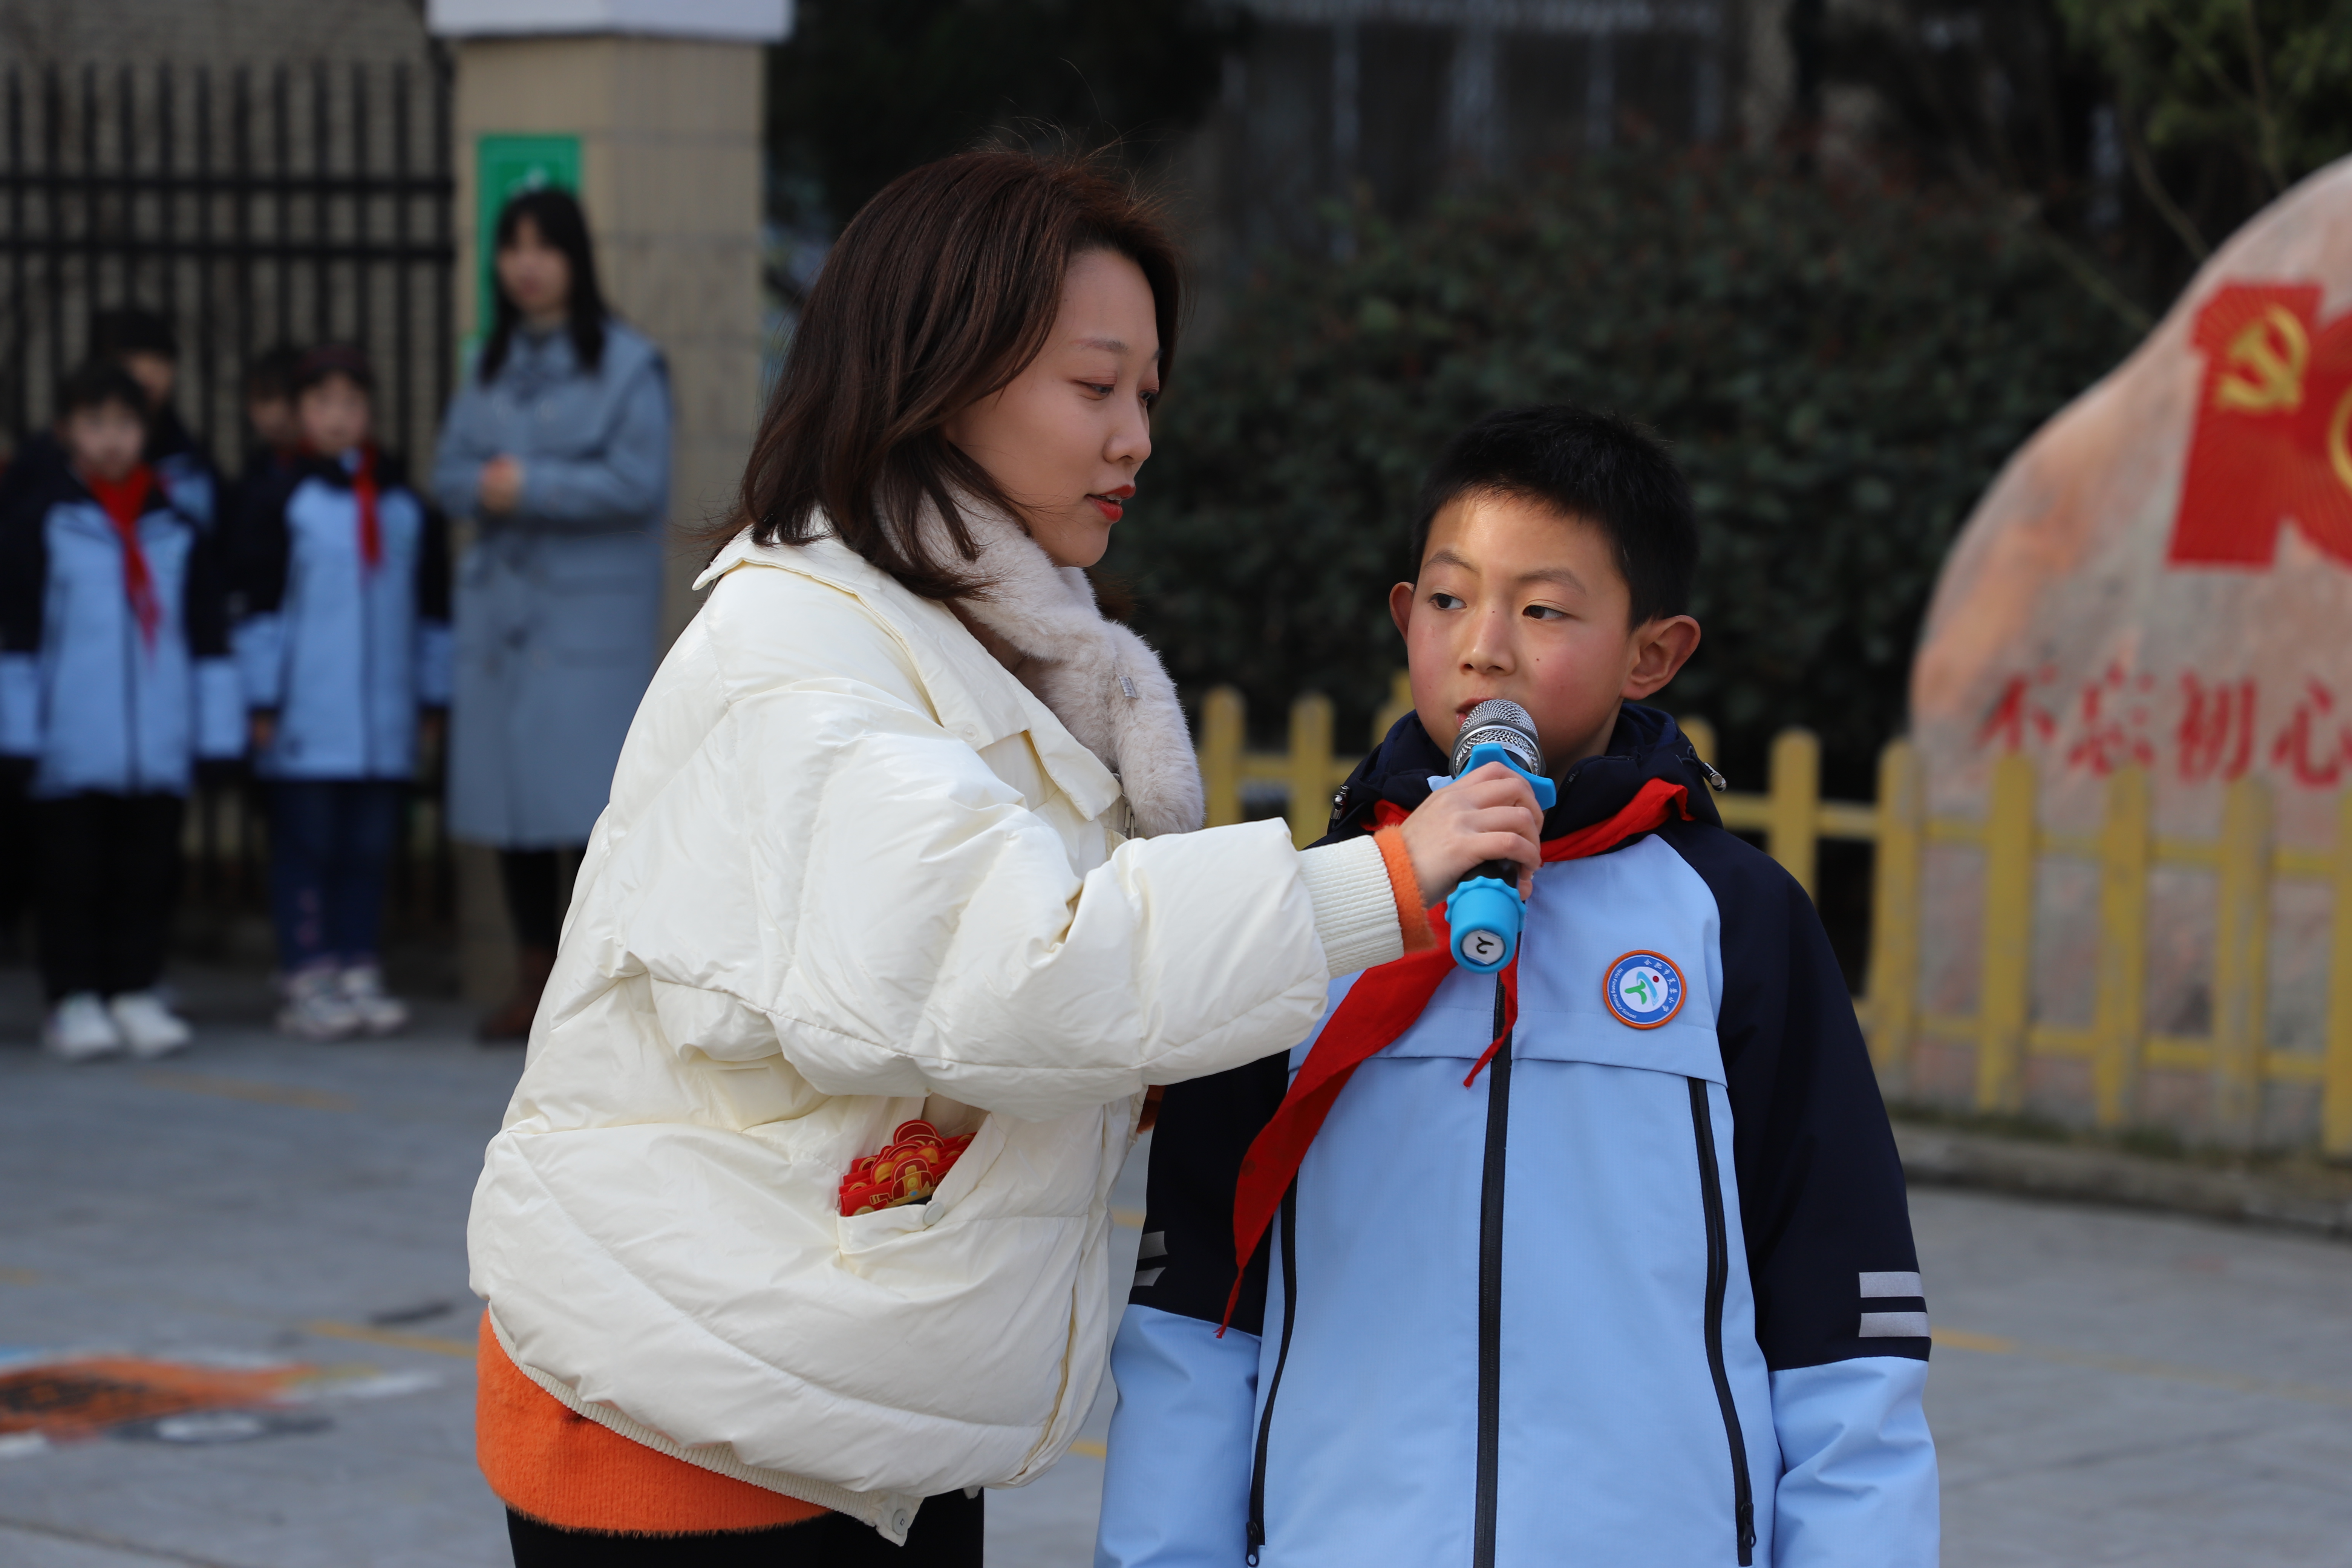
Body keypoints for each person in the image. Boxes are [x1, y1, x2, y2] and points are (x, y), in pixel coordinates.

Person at [463, 149, 1545, 1566]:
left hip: (844, 1400)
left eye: (1148, 393)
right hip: (696, 1424)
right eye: (1094, 387)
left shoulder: (983, 641)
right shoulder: (806, 657)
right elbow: (1025, 964)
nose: (1135, 438)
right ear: (938, 374)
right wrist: (1383, 885)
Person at [1094, 406, 1940, 1568]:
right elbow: (1196, 1309)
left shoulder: (1735, 923)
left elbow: (1843, 1324)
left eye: (1542, 610)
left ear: (1653, 651)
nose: (1483, 646)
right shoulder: (1303, 913)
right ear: (1404, 617)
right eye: (1447, 600)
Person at [429, 187, 671, 1041]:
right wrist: (489, 485)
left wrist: (531, 485)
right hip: (504, 623)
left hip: (584, 632)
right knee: (514, 810)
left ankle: (594, 994)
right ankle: (534, 979)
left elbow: (640, 483)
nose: (526, 265)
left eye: (545, 247)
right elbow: (450, 472)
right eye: (512, 247)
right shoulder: (486, 366)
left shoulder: (629, 365)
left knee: (589, 813)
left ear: (576, 259)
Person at [0, 361, 242, 1060]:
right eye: (95, 423)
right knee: (71, 877)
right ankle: (73, 998)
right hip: (70, 745)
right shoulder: (43, 522)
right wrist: (17, 732)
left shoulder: (175, 527)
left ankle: (135, 989)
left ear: (146, 430)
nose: (111, 439)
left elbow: (206, 640)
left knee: (147, 872)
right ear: (67, 431)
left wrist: (217, 734)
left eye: (125, 423)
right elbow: (19, 637)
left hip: (156, 746)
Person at [229, 345, 451, 1040]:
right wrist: (262, 701)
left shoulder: (406, 508)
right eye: (321, 403)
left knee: (369, 848)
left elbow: (432, 612)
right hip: (306, 717)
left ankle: (358, 965)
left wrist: (432, 699)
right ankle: (306, 970)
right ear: (299, 415)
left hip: (383, 722)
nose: (337, 417)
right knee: (307, 846)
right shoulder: (281, 502)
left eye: (351, 403)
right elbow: (260, 609)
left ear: (370, 414)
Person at [91, 308, 219, 533]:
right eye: (130, 361)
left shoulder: (190, 459)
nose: (146, 374)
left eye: (159, 361)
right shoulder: (65, 460)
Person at [233, 343, 308, 533]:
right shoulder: (251, 476)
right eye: (265, 398)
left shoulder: (338, 477)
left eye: (290, 400)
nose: (277, 413)